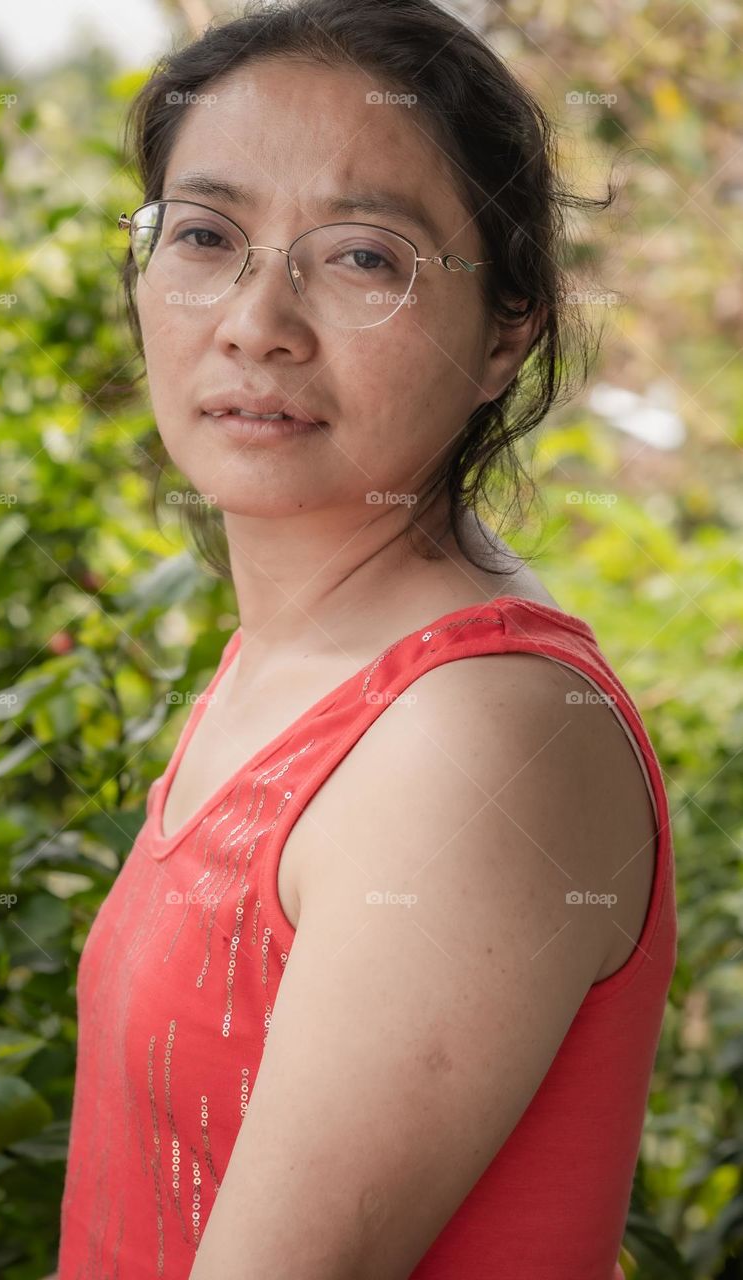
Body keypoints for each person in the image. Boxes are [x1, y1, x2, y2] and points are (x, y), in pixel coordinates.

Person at [56, 2, 677, 1277]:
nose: (255, 321)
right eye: (206, 236)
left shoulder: (468, 736)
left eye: (361, 257)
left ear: (507, 331)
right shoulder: (292, 660)